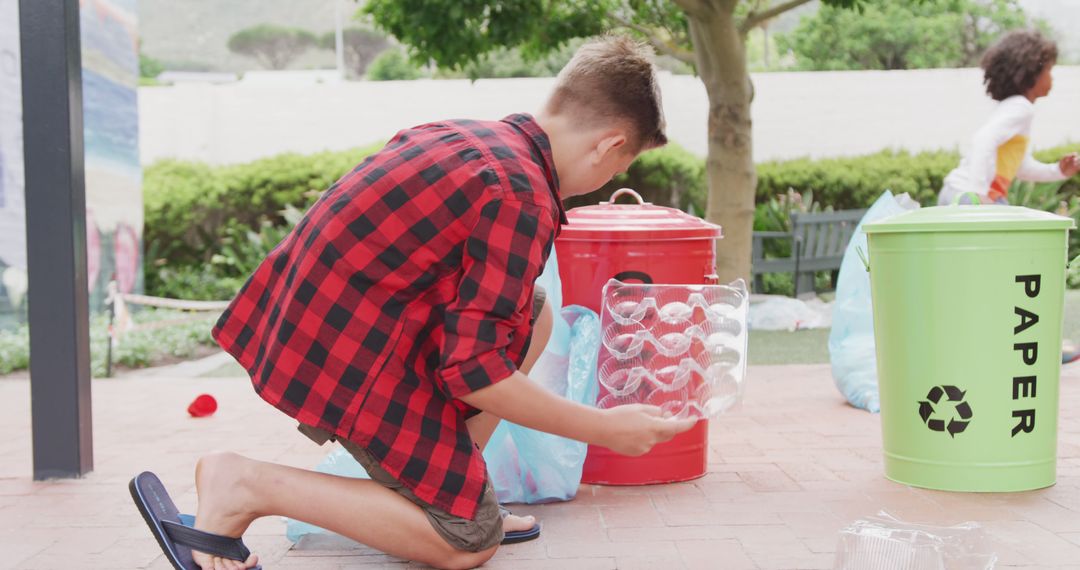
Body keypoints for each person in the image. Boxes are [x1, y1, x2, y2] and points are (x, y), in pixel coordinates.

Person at [130, 35, 698, 570]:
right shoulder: (521, 195)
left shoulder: (466, 136)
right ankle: (246, 484)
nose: (601, 182)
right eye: (615, 172)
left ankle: (443, 484)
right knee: (467, 540)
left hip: (312, 325)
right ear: (610, 145)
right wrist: (603, 428)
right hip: (346, 356)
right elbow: (476, 373)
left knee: (535, 310)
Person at [937, 29, 1079, 206]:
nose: (1052, 77)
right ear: (1031, 73)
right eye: (1049, 69)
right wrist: (978, 193)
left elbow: (1021, 167)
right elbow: (984, 139)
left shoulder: (1013, 107)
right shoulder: (1021, 107)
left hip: (954, 192)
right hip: (965, 195)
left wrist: (1058, 171)